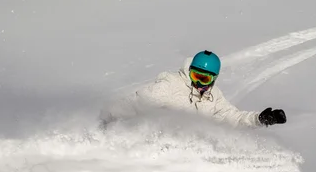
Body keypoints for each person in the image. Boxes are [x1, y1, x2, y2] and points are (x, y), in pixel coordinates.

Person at [100, 50, 287, 128]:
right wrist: (107, 120)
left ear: (214, 79)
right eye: (195, 76)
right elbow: (134, 103)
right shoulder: (170, 86)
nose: (198, 83)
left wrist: (259, 119)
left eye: (204, 78)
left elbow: (233, 118)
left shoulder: (214, 96)